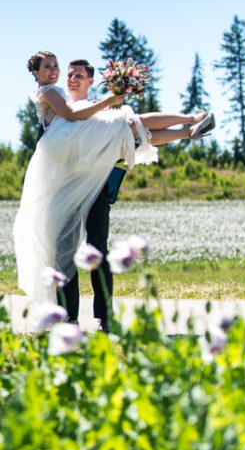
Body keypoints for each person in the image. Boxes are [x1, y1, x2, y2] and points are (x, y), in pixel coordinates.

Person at [14, 51, 213, 310]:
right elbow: (70, 118)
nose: (58, 73)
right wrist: (109, 101)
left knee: (132, 124)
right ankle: (68, 315)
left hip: (95, 185)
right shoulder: (54, 96)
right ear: (37, 72)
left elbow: (80, 118)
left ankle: (191, 126)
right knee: (64, 251)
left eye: (60, 68)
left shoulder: (89, 106)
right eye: (49, 67)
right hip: (64, 187)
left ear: (90, 81)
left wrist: (110, 106)